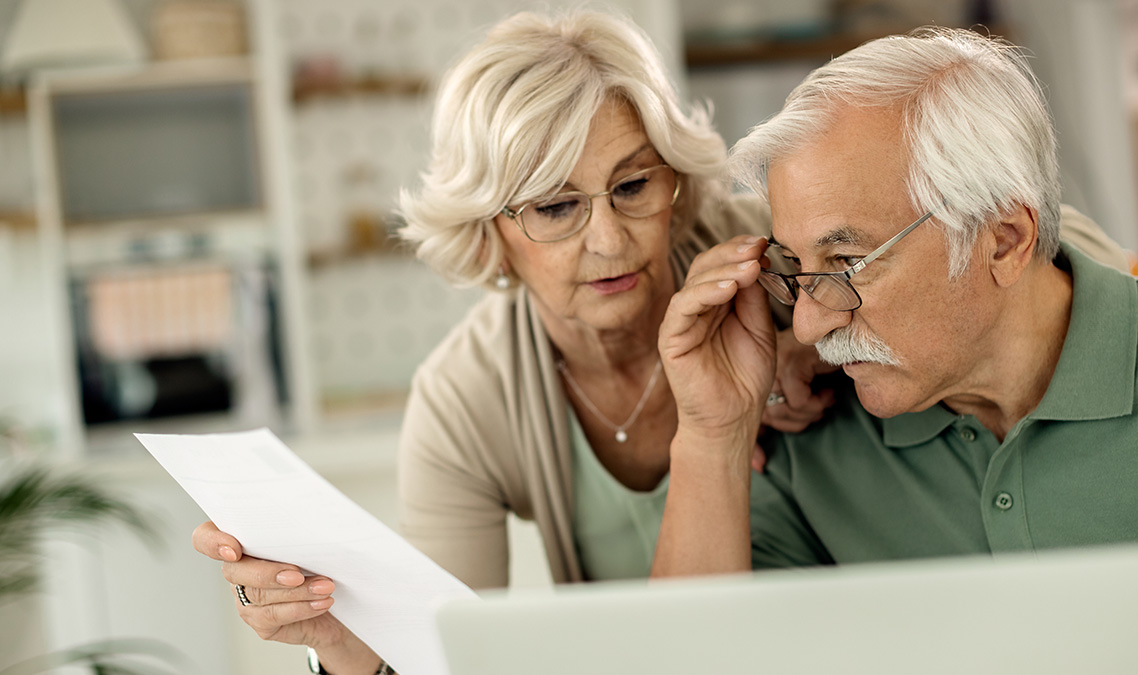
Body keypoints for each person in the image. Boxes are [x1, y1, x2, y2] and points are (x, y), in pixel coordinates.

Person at [190, 10, 833, 675]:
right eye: (555, 206)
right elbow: (442, 653)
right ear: (488, 230)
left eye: (634, 185)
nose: (610, 240)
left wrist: (826, 337)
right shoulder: (465, 396)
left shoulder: (778, 262)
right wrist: (346, 645)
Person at [652, 26, 1138, 577]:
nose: (808, 325)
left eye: (846, 262)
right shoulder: (807, 438)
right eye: (795, 266)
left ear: (1004, 241)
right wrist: (712, 433)